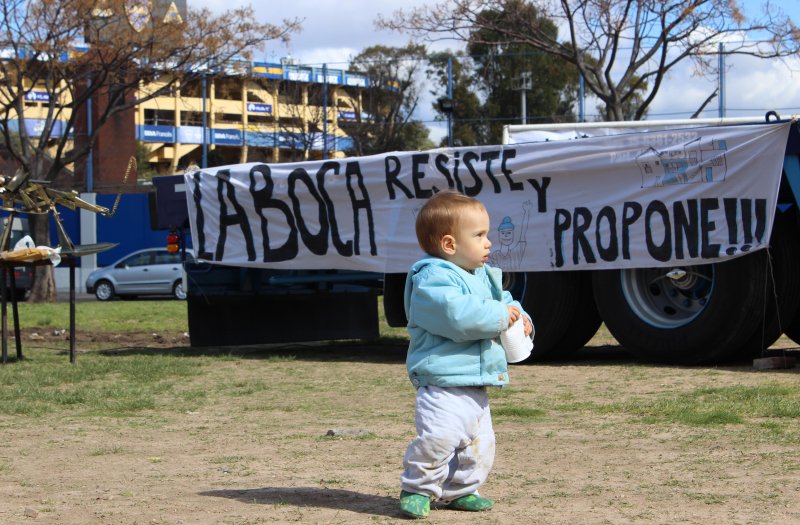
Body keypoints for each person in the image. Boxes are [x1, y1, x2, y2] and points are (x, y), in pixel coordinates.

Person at [399, 190, 533, 519]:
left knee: (479, 442)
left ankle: (460, 489)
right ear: (449, 244)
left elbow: (505, 300)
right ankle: (418, 487)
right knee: (439, 437)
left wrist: (521, 315)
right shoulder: (432, 278)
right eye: (479, 235)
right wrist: (502, 315)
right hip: (442, 381)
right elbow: (457, 316)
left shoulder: (482, 276)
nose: (489, 242)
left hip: (476, 379)